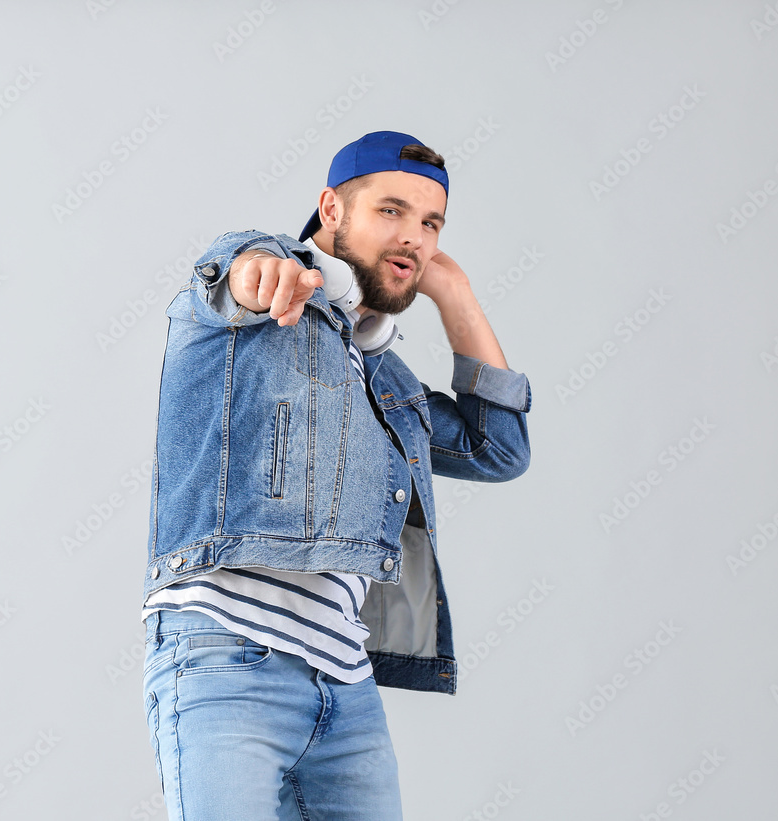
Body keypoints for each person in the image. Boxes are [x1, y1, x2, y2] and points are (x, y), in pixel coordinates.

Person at [141, 130, 531, 820]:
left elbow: (498, 446)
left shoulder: (386, 380)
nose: (413, 236)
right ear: (331, 208)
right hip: (227, 659)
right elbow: (227, 278)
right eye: (391, 211)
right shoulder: (264, 307)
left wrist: (454, 290)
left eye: (430, 223)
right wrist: (257, 266)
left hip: (346, 686)